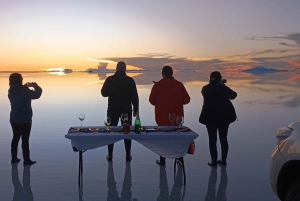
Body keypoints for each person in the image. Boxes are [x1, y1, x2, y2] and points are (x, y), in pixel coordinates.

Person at [149, 66, 190, 165]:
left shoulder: (157, 86)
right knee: (177, 138)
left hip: (161, 118)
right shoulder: (179, 85)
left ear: (162, 74)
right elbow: (187, 100)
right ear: (172, 73)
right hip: (177, 118)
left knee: (163, 138)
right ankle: (179, 159)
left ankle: (162, 160)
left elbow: (151, 100)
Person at [101, 61, 139, 161]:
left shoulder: (110, 79)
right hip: (126, 109)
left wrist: (112, 91)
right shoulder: (130, 80)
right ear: (125, 69)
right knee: (127, 131)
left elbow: (103, 93)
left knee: (110, 131)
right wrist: (136, 108)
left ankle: (110, 154)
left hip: (112, 109)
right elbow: (135, 96)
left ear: (116, 68)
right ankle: (128, 154)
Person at [199, 71, 237, 167]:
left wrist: (216, 84)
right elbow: (234, 95)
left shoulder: (206, 89)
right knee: (223, 139)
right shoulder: (223, 89)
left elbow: (206, 90)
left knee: (212, 140)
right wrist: (222, 85)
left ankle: (214, 161)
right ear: (219, 79)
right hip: (224, 118)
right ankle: (223, 160)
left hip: (210, 118)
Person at [8, 73, 42, 165]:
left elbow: (20, 93)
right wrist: (36, 86)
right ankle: (26, 160)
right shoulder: (24, 90)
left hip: (14, 118)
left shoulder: (11, 90)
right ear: (20, 80)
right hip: (25, 119)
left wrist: (24, 87)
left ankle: (14, 158)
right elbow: (36, 95)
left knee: (15, 137)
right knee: (25, 139)